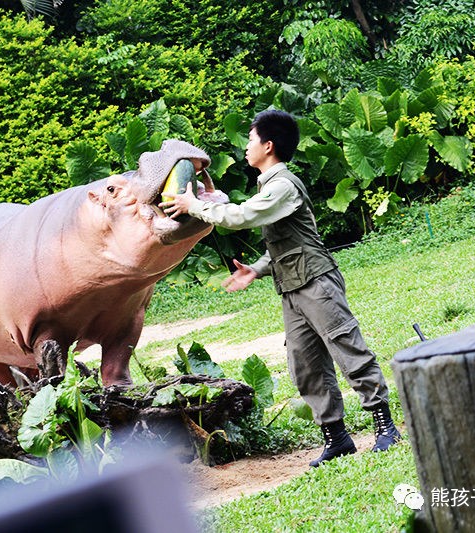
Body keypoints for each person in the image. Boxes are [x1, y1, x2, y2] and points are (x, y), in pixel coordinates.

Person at [159, 109, 401, 467]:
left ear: (268, 145)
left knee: (347, 349)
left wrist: (193, 205)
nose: (245, 148)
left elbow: (241, 217)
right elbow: (289, 244)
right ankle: (337, 439)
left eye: (251, 140)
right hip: (291, 287)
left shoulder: (283, 185)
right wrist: (256, 270)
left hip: (317, 283)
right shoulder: (268, 186)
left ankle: (385, 427)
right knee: (305, 365)